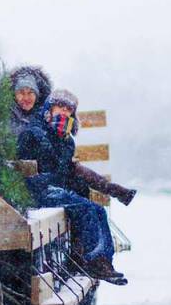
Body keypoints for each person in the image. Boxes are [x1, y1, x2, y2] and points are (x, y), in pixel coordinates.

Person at [16, 88, 129, 285]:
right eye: (60, 106)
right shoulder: (33, 132)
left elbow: (68, 170)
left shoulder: (66, 140)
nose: (64, 112)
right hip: (37, 190)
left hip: (55, 189)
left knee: (98, 210)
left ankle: (103, 262)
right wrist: (43, 183)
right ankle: (93, 260)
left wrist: (110, 189)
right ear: (49, 108)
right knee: (85, 208)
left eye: (68, 109)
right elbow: (23, 168)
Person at [9, 67, 137, 205]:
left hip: (51, 179)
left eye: (30, 93)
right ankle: (110, 193)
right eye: (21, 92)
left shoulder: (60, 133)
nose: (26, 97)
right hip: (30, 185)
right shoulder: (14, 120)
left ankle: (113, 192)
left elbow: (63, 163)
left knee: (80, 184)